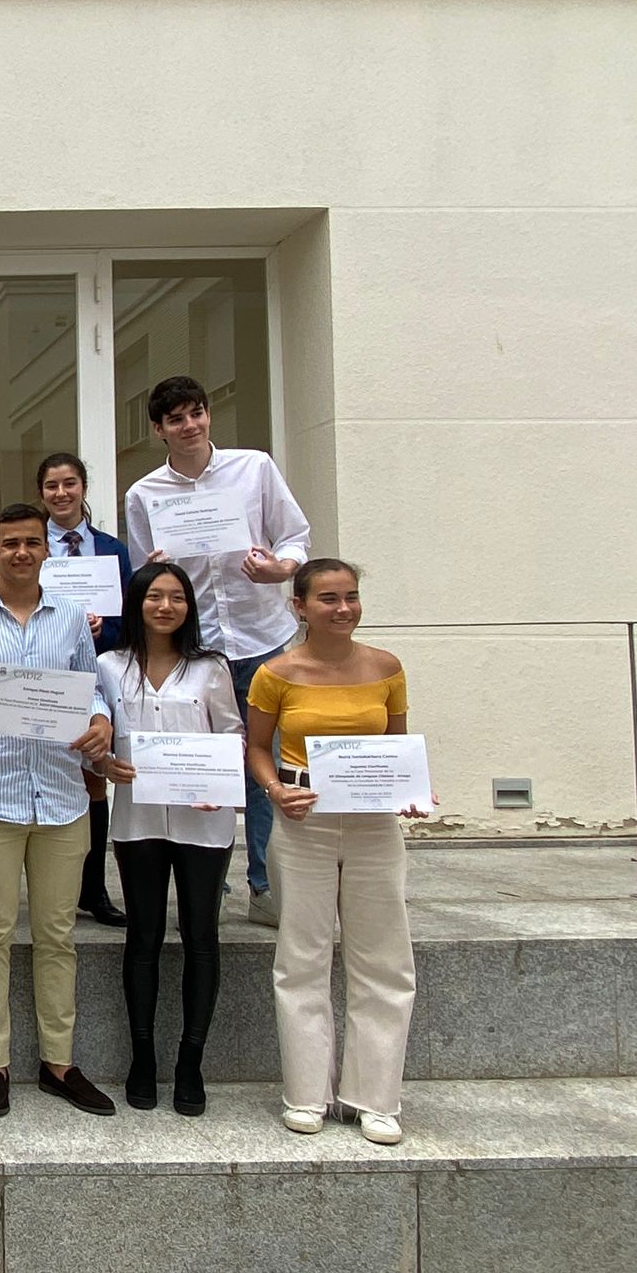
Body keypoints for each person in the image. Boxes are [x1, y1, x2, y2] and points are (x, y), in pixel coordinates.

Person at [0, 503, 117, 1120]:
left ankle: (58, 1063)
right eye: (10, 542)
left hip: (63, 795)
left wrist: (100, 721)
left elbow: (91, 687)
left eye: (32, 542)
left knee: (57, 936)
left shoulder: (70, 618)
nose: (20, 552)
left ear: (47, 550)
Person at [246, 559, 422, 1147]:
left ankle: (376, 1099)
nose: (343, 608)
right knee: (302, 956)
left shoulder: (387, 667)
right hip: (304, 821)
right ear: (298, 606)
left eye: (350, 596)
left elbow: (396, 744)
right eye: (328, 598)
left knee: (384, 958)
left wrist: (409, 791)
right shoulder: (275, 673)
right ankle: (306, 1093)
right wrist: (274, 790)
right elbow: (257, 748)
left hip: (373, 825)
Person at [123, 376, 310, 928]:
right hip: (197, 650)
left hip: (261, 638)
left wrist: (280, 569)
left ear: (208, 415)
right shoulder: (143, 494)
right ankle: (208, 881)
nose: (190, 426)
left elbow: (295, 537)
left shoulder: (254, 468)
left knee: (266, 765)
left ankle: (265, 886)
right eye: (176, 419)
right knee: (200, 766)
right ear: (158, 430)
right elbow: (146, 577)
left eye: (197, 414)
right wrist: (155, 571)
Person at [93, 562, 242, 1116]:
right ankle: (143, 1057)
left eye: (177, 597)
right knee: (144, 934)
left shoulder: (211, 667)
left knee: (201, 933)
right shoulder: (109, 665)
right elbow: (99, 736)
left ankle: (190, 1062)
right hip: (139, 819)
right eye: (154, 596)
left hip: (204, 820)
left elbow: (232, 734)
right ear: (136, 603)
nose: (165, 606)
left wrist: (220, 782)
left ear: (189, 607)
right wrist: (106, 765)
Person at [38, 450, 136, 929]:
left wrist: (104, 627)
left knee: (94, 774)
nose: (61, 493)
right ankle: (48, 885)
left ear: (83, 488)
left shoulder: (112, 550)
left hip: (98, 671)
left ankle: (92, 889)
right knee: (51, 770)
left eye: (69, 484)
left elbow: (131, 614)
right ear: (41, 493)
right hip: (46, 672)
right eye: (52, 486)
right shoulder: (32, 545)